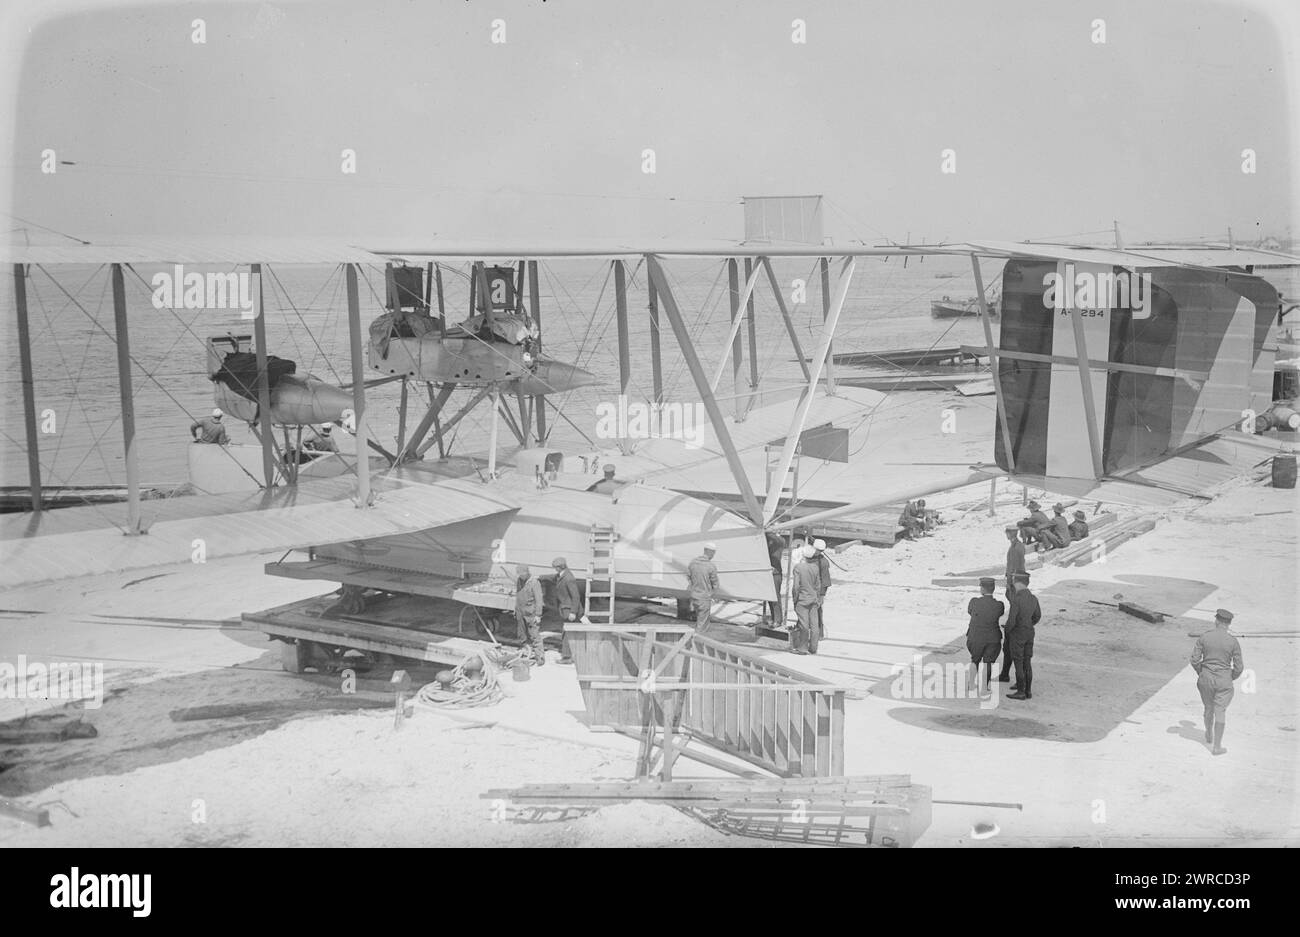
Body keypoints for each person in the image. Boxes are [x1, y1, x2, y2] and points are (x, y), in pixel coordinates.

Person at [1190, 609, 1244, 756]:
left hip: (1205, 679)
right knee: (1220, 711)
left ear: (1217, 621)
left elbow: (1194, 660)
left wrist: (1202, 672)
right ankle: (1217, 747)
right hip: (1224, 680)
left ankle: (1208, 733)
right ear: (1228, 624)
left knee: (1208, 708)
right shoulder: (1233, 641)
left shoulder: (1204, 637)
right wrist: (1229, 677)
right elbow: (1239, 667)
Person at [1005, 572, 1041, 700]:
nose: (1013, 584)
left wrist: (1008, 630)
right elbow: (1037, 616)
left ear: (1019, 583)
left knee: (1018, 662)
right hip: (1029, 633)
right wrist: (1028, 624)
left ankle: (1020, 691)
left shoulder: (1017, 599)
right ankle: (1028, 691)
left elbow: (1011, 621)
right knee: (1027, 661)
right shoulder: (1033, 598)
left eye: (1014, 581)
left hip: (1018, 634)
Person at [966, 577, 1005, 696]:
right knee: (988, 663)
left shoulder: (974, 602)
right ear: (993, 589)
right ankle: (984, 689)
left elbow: (970, 611)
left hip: (975, 637)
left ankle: (971, 684)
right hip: (992, 638)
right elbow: (1000, 613)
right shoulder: (999, 605)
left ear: (982, 588)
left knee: (975, 660)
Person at [790, 543, 822, 655]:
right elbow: (818, 585)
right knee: (814, 625)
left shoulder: (798, 568)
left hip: (802, 600)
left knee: (804, 625)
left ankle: (802, 648)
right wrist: (817, 598)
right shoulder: (815, 568)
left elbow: (796, 586)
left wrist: (795, 599)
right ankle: (813, 648)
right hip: (813, 599)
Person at [551, 556, 583, 665]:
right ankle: (568, 655)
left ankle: (567, 657)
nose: (555, 570)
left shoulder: (569, 578)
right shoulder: (563, 575)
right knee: (567, 632)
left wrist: (573, 612)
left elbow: (576, 596)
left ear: (560, 567)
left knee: (567, 633)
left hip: (570, 611)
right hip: (566, 610)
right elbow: (555, 578)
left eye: (556, 568)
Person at [513, 564, 545, 665]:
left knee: (535, 636)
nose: (521, 576)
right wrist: (516, 609)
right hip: (520, 612)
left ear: (527, 572)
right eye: (519, 574)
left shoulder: (534, 582)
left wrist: (538, 615)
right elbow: (518, 595)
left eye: (523, 574)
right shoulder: (519, 580)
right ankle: (524, 651)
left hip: (531, 613)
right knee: (521, 635)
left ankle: (540, 657)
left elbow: (539, 600)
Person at [687, 542, 720, 634]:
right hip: (704, 598)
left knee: (699, 619)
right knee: (702, 624)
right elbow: (715, 584)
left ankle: (696, 638)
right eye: (713, 553)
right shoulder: (711, 566)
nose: (713, 555)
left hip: (694, 597)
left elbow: (688, 577)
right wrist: (712, 594)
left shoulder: (692, 563)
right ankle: (697, 642)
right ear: (711, 552)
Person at [765, 532, 785, 625]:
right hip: (769, 572)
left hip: (776, 573)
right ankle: (773, 618)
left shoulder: (780, 540)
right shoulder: (771, 541)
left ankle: (778, 620)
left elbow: (777, 540)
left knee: (775, 597)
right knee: (770, 597)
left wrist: (767, 531)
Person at [813, 538, 831, 640]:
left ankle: (819, 633)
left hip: (818, 591)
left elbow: (825, 580)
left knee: (817, 611)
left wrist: (822, 595)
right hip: (811, 589)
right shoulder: (811, 559)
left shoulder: (823, 562)